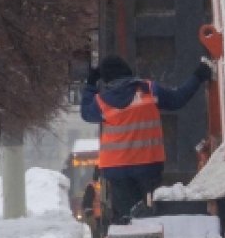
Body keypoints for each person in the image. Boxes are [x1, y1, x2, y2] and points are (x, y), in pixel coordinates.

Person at [80, 54, 212, 226]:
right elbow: (178, 99)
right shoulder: (149, 91)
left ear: (105, 79)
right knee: (152, 216)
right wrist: (199, 75)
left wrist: (91, 84)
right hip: (147, 166)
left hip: (116, 171)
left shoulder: (101, 103)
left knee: (127, 220)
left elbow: (85, 113)